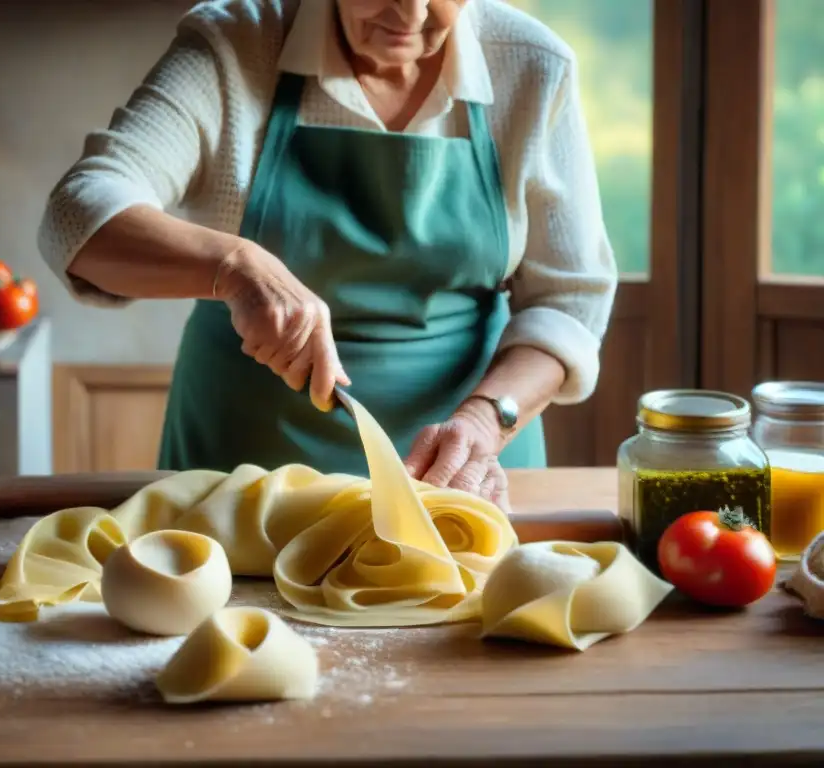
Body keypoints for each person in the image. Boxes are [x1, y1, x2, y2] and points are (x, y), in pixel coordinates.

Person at [38, 0, 616, 502]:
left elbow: (567, 302)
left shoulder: (532, 66)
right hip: (243, 471)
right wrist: (235, 267)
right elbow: (78, 212)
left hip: (458, 475)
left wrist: (487, 420)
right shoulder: (237, 45)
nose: (409, 16)